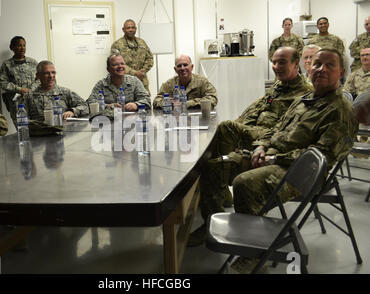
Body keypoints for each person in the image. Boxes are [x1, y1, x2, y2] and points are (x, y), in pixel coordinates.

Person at [228, 49, 357, 273]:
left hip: (304, 174)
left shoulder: (341, 111)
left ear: (342, 72)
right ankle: (226, 228)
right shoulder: (303, 99)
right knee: (218, 166)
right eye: (317, 64)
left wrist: (274, 158)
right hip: (276, 158)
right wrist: (262, 146)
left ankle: (253, 257)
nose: (321, 69)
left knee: (245, 183)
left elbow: (318, 158)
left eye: (329, 65)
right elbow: (277, 129)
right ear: (308, 68)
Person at [188, 47, 312, 247]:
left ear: (296, 64)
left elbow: (288, 131)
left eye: (282, 62)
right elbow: (257, 108)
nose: (276, 67)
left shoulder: (305, 93)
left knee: (226, 128)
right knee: (227, 128)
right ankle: (220, 193)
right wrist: (241, 124)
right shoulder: (279, 86)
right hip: (260, 133)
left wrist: (255, 140)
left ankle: (219, 193)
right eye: (274, 62)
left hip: (271, 139)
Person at [24, 60, 88, 123]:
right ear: (38, 76)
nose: (51, 76)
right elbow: (23, 119)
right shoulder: (29, 96)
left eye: (53, 72)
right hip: (39, 132)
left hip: (63, 132)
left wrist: (72, 111)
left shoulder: (65, 92)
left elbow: (85, 107)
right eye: (46, 73)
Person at [86, 54, 151, 111]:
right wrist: (107, 106)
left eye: (122, 64)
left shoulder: (134, 81)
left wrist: (136, 105)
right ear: (108, 69)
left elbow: (147, 100)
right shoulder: (102, 84)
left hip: (131, 122)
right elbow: (90, 102)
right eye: (115, 64)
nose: (120, 66)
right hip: (108, 121)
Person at [0, 36, 39, 125]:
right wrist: (20, 89)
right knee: (21, 128)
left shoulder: (33, 62)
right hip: (17, 102)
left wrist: (31, 90)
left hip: (33, 100)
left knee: (37, 125)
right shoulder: (7, 65)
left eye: (24, 45)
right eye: (19, 45)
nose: (22, 48)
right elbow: (3, 83)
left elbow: (39, 79)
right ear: (12, 47)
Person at [153, 55, 217, 109]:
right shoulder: (169, 84)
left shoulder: (202, 82)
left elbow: (212, 99)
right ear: (175, 69)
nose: (182, 68)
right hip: (176, 119)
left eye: (185, 65)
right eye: (179, 66)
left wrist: (187, 104)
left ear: (192, 67)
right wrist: (167, 102)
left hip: (198, 119)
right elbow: (156, 101)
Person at [111, 19, 154, 93]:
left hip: (142, 81)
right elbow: (115, 64)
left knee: (145, 102)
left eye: (133, 27)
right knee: (127, 103)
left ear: (136, 29)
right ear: (123, 30)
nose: (131, 30)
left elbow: (149, 58)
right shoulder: (117, 45)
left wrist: (142, 71)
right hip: (125, 82)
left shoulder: (142, 42)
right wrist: (134, 73)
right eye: (128, 28)